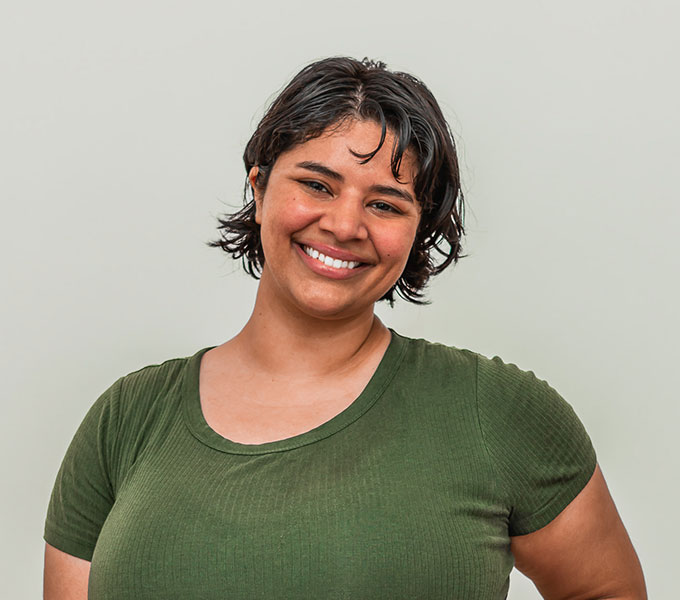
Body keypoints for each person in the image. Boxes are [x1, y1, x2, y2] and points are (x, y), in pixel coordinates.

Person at [43, 57, 647, 599]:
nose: (344, 223)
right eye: (316, 185)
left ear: (418, 232)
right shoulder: (126, 420)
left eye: (385, 203)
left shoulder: (498, 411)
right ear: (259, 189)